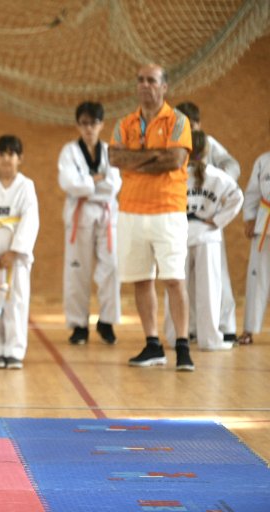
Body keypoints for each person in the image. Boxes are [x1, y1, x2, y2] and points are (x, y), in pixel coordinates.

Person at [108, 63, 194, 371]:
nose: (145, 85)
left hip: (168, 210)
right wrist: (153, 156)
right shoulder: (124, 123)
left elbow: (174, 159)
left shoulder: (178, 121)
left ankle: (182, 346)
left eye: (152, 80)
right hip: (131, 211)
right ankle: (153, 345)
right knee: (141, 280)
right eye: (141, 80)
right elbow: (114, 158)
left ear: (164, 87)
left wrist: (134, 161)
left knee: (174, 279)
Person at [162, 130, 243, 351]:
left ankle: (174, 336)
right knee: (209, 291)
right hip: (207, 236)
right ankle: (210, 339)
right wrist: (217, 220)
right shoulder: (217, 175)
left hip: (180, 234)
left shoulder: (174, 174)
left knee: (176, 288)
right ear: (206, 151)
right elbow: (238, 197)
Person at [58, 102, 121, 345]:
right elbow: (70, 183)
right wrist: (97, 180)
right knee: (77, 270)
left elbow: (113, 186)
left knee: (111, 267)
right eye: (84, 123)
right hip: (80, 215)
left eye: (93, 123)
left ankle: (107, 322)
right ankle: (79, 325)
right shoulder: (69, 152)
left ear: (101, 124)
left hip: (107, 215)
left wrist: (87, 183)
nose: (89, 128)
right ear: (78, 125)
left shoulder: (110, 151)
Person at [0, 135, 39, 369]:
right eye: (1, 154)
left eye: (11, 154)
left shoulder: (26, 186)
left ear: (20, 158)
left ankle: (14, 350)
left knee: (16, 301)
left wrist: (15, 252)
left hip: (15, 257)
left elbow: (30, 220)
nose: (6, 159)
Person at [237, 147, 270, 346]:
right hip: (264, 224)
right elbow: (252, 193)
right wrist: (249, 218)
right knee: (257, 278)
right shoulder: (263, 161)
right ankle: (249, 329)